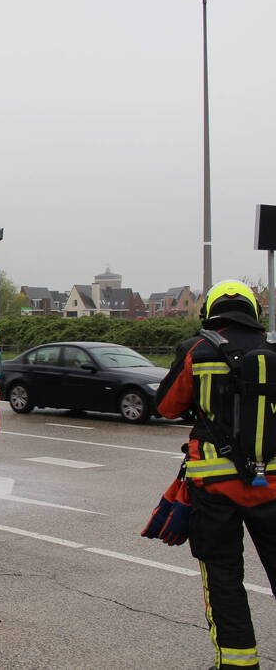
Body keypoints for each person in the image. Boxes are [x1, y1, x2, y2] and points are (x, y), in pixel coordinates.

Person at [155, 280, 276, 670]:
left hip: (215, 485)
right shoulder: (273, 349)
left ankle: (238, 664)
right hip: (273, 484)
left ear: (210, 311)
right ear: (254, 311)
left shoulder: (198, 349)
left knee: (223, 576)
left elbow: (167, 407)